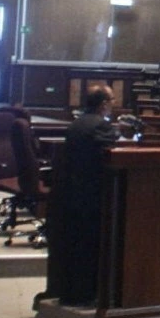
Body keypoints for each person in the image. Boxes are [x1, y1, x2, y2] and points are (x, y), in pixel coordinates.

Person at [48, 85, 120, 305]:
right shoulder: (100, 126)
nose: (114, 104)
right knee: (89, 248)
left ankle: (73, 292)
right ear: (103, 104)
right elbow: (114, 150)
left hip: (73, 193)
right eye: (112, 100)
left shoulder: (77, 123)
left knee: (77, 245)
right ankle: (87, 294)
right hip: (94, 196)